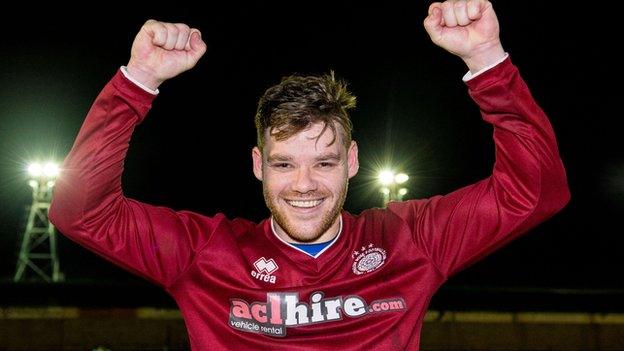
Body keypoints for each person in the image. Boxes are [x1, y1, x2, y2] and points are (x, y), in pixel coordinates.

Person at [48, 0, 570, 349]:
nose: (303, 184)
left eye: (323, 162)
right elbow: (80, 214)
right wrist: (137, 81)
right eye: (283, 163)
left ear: (353, 163)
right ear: (258, 166)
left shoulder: (412, 241)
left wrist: (486, 58)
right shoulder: (205, 253)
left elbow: (536, 192)